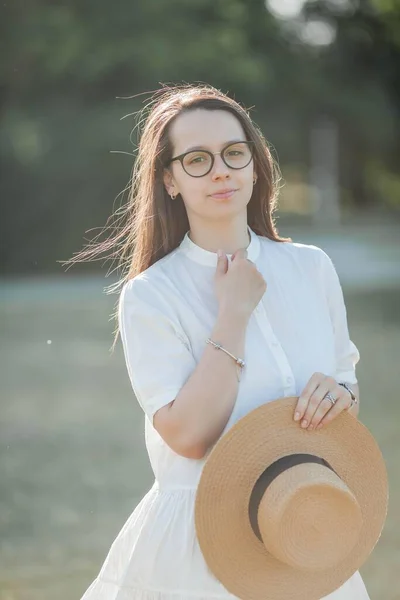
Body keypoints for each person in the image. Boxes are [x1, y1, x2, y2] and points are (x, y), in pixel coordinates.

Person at [79, 84, 370, 599]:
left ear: (255, 165)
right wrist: (232, 313)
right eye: (197, 159)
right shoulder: (151, 295)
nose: (220, 170)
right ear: (169, 179)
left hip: (303, 528)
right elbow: (188, 436)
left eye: (234, 153)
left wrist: (339, 395)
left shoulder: (311, 268)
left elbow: (346, 381)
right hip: (201, 544)